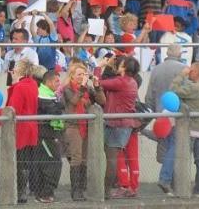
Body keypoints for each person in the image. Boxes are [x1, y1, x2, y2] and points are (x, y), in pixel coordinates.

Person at [170, 63, 199, 196]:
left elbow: (172, 90)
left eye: (191, 70)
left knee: (183, 158)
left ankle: (181, 187)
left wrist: (181, 75)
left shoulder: (192, 87)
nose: (189, 72)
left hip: (188, 129)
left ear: (195, 72)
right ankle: (198, 189)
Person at [62, 62, 105, 201]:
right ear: (72, 76)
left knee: (84, 159)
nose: (82, 77)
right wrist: (82, 87)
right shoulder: (67, 88)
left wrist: (97, 86)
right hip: (73, 126)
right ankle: (76, 191)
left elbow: (102, 101)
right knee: (76, 158)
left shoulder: (88, 88)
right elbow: (74, 101)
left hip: (85, 126)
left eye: (84, 74)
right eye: (79, 74)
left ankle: (82, 188)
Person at [99, 57, 140, 199]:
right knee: (113, 158)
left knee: (111, 159)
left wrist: (101, 67)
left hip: (117, 124)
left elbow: (99, 83)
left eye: (121, 64)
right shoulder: (132, 81)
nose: (118, 65)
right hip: (122, 124)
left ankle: (106, 191)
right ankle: (108, 189)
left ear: (124, 68)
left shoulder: (122, 82)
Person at [4, 59, 39, 204]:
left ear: (18, 70)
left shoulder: (19, 87)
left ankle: (20, 192)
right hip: (32, 126)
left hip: (21, 128)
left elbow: (13, 110)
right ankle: (25, 190)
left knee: (19, 161)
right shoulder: (33, 84)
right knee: (26, 161)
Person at [30, 70, 64, 203]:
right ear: (48, 81)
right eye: (56, 81)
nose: (59, 83)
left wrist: (59, 105)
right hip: (45, 134)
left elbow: (58, 107)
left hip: (51, 133)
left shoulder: (49, 93)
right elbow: (55, 110)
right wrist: (59, 105)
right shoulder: (43, 94)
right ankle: (45, 194)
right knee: (54, 163)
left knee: (48, 163)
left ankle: (43, 193)